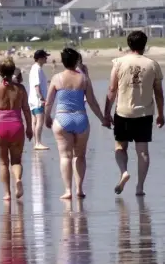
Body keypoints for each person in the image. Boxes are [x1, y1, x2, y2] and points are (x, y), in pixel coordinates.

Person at [44, 48, 109, 200]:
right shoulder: (84, 79)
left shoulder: (57, 78)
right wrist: (102, 119)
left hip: (62, 119)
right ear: (76, 61)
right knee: (80, 156)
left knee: (65, 157)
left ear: (63, 61)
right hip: (81, 119)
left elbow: (49, 102)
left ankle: (68, 190)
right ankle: (79, 188)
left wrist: (47, 117)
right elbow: (92, 102)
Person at [104, 30, 164, 196]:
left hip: (122, 112)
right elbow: (159, 93)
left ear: (129, 44)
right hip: (144, 113)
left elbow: (111, 90)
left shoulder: (118, 62)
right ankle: (140, 187)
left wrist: (106, 113)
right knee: (143, 152)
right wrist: (161, 114)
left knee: (120, 147)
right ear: (145, 45)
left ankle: (124, 171)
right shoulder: (152, 65)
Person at [0, 57, 33, 200]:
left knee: (3, 162)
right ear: (13, 71)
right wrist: (29, 127)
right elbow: (26, 109)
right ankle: (18, 179)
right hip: (17, 126)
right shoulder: (20, 89)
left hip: (0, 127)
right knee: (16, 161)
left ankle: (7, 194)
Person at [28, 49, 50, 150]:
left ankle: (35, 142)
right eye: (45, 57)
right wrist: (41, 98)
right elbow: (37, 85)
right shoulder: (37, 68)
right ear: (40, 58)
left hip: (32, 99)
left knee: (34, 121)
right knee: (40, 120)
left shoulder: (34, 68)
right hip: (37, 100)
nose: (46, 59)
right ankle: (38, 142)